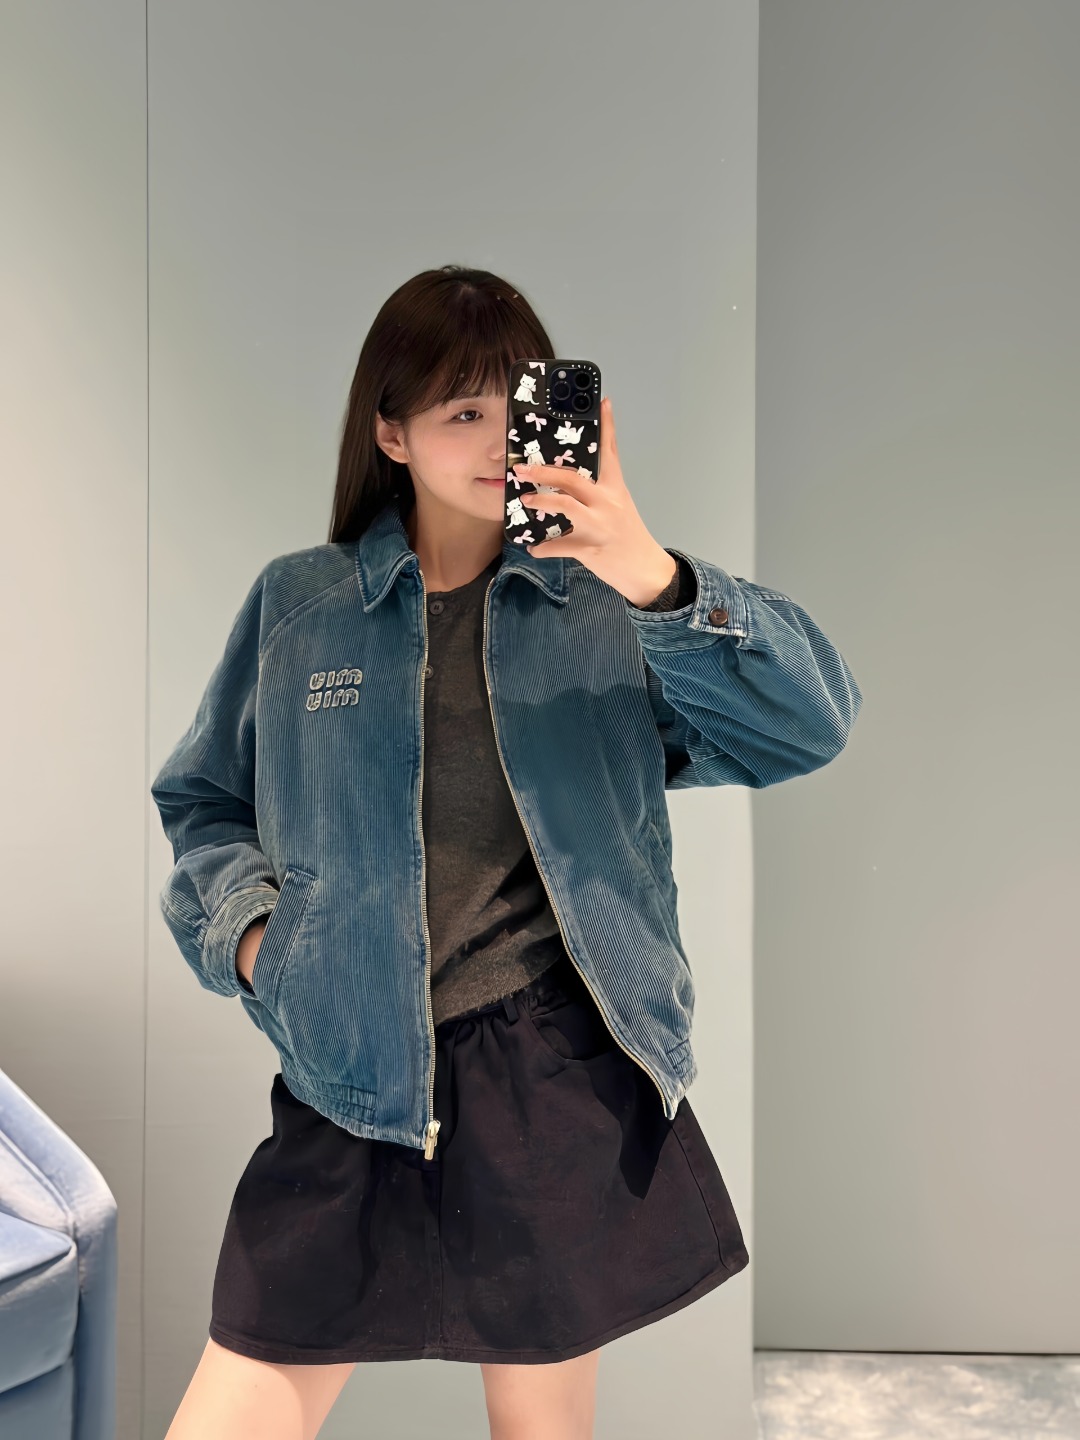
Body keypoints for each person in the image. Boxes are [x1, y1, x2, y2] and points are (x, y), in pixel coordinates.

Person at [152, 264, 862, 1440]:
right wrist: (260, 946)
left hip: (548, 1077)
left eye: (515, 405)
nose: (495, 442)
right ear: (392, 432)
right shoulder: (302, 606)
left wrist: (649, 570)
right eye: (460, 410)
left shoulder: (605, 607)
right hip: (352, 1072)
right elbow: (204, 802)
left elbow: (809, 725)